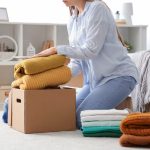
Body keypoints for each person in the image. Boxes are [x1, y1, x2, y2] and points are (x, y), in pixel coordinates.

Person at [2, 0, 139, 128]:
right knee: (66, 116)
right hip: (93, 83)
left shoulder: (97, 8)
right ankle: (108, 105)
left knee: (81, 120)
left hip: (119, 77)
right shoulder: (73, 20)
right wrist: (50, 77)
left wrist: (56, 49)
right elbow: (78, 61)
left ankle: (131, 118)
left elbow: (91, 50)